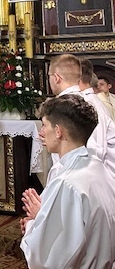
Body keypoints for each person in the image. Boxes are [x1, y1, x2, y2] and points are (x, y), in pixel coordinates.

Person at [20, 95, 115, 268]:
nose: (41, 132)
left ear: (58, 131)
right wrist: (44, 216)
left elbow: (48, 260)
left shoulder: (67, 183)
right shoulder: (98, 166)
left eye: (44, 125)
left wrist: (34, 223)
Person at [47, 54, 115, 178]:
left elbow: (95, 151)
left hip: (88, 178)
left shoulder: (85, 104)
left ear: (56, 78)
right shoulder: (69, 102)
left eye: (49, 76)